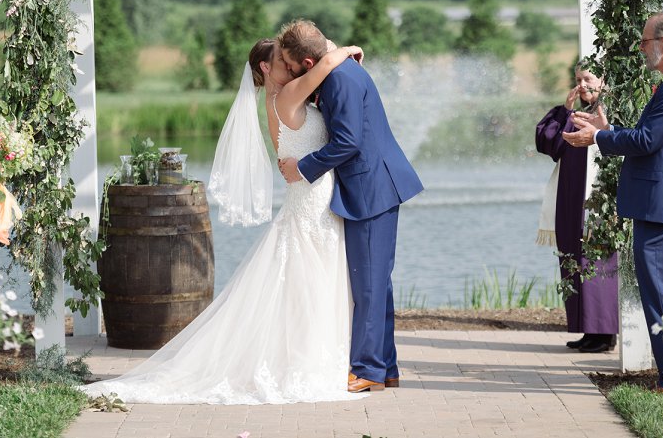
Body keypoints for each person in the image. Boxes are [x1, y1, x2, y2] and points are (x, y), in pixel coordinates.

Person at [82, 39, 367, 404]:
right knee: (308, 278)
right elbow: (325, 65)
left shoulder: (289, 94)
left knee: (309, 278)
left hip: (311, 195)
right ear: (266, 69)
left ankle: (316, 355)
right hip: (310, 198)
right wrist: (344, 49)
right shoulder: (286, 96)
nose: (292, 65)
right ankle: (308, 362)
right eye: (282, 60)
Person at [277, 20, 423, 393]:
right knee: (377, 284)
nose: (289, 72)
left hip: (370, 187)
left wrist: (302, 168)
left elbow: (348, 142)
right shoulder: (340, 68)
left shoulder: (340, 79)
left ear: (308, 63)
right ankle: (386, 367)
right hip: (374, 184)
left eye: (292, 66)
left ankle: (368, 370)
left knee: (369, 286)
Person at [563, 13, 663, 392]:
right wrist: (607, 131)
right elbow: (649, 135)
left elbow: (646, 141)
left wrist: (596, 139)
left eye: (645, 42)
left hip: (661, 206)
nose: (641, 49)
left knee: (661, 294)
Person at [536, 63, 618, 353]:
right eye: (578, 80)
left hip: (596, 202)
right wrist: (564, 110)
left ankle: (605, 332)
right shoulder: (574, 114)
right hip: (571, 199)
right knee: (575, 259)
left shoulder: (608, 113)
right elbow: (549, 146)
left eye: (588, 79)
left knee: (598, 261)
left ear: (603, 80)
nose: (582, 85)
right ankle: (587, 329)